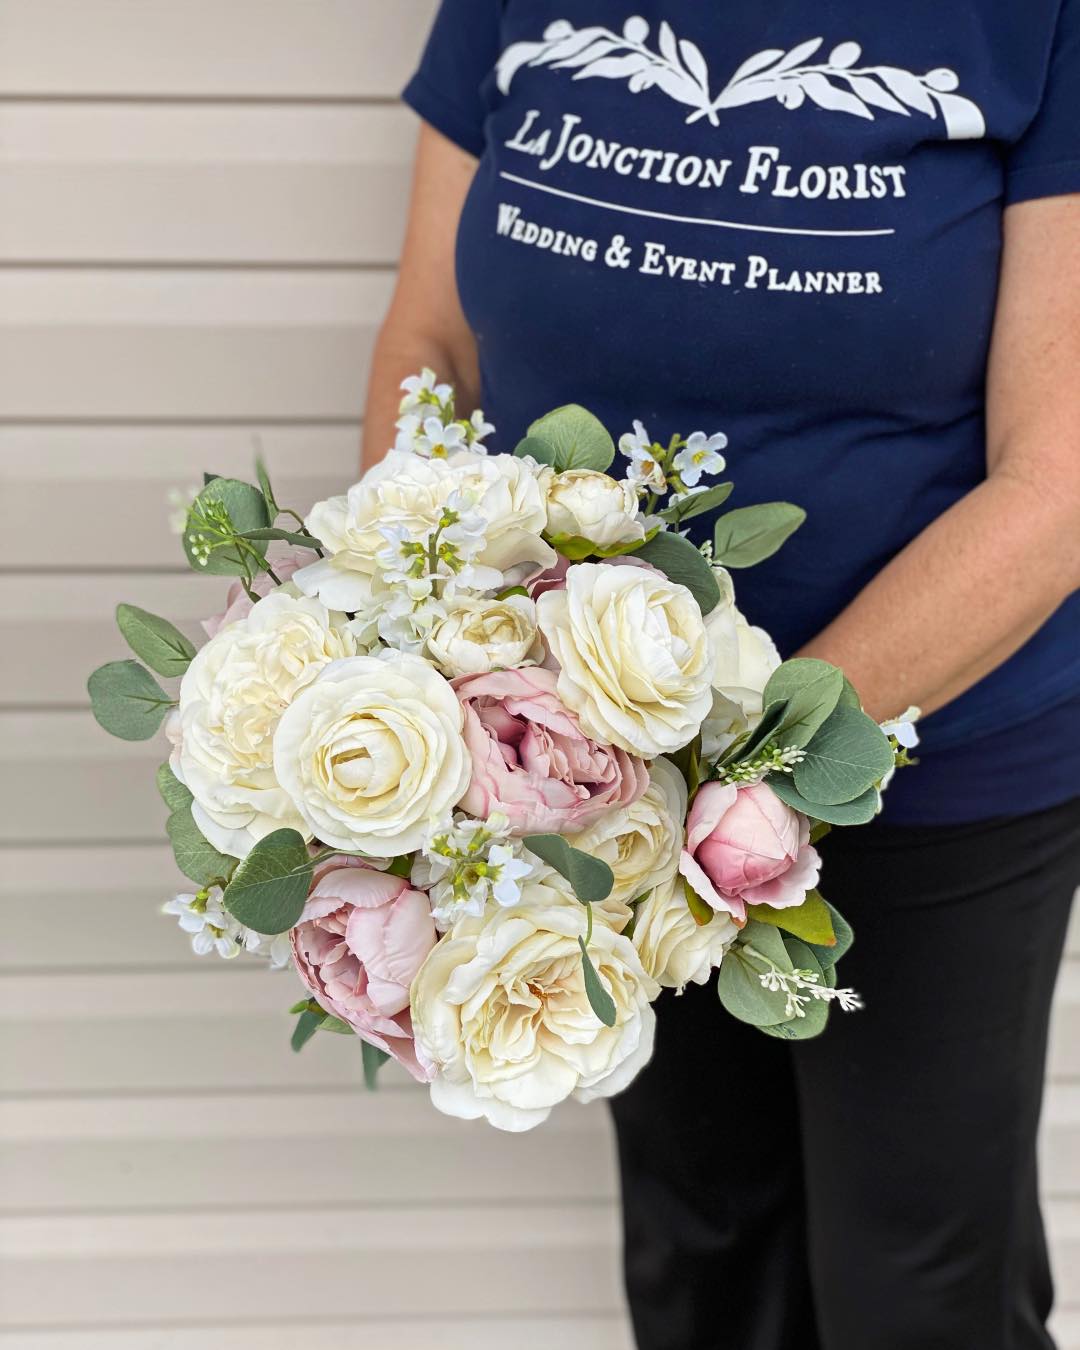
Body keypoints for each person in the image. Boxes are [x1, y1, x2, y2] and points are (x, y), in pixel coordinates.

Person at [365, 4, 1080, 1346]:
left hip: (935, 768)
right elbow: (433, 347)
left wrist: (716, 768)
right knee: (702, 1255)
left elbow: (1058, 484)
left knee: (918, 1289)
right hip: (587, 779)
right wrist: (426, 674)